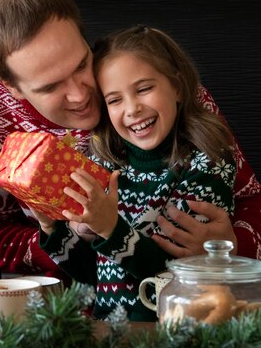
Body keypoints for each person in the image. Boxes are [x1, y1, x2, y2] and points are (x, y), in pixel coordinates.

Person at [0, 0, 261, 280]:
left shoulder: (149, 85)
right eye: (50, 87)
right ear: (11, 87)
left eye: (82, 64)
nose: (80, 94)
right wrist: (74, 235)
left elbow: (253, 199)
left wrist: (232, 248)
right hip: (61, 301)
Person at [35, 25, 236, 320]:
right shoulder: (105, 168)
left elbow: (178, 274)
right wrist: (52, 229)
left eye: (144, 89)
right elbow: (95, 276)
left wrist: (110, 229)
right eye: (114, 100)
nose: (132, 108)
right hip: (110, 331)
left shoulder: (207, 165)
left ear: (177, 87)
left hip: (175, 331)